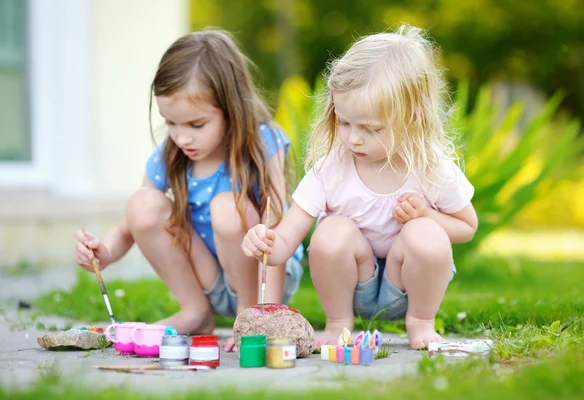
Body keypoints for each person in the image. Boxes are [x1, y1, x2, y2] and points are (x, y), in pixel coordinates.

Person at [241, 25, 478, 350]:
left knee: (426, 232)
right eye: (345, 122)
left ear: (412, 118)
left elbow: (467, 226)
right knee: (332, 229)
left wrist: (427, 214)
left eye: (370, 128)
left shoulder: (429, 166)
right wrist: (266, 242)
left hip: (409, 287)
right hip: (351, 287)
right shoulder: (332, 168)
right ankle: (339, 323)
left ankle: (421, 323)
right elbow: (286, 240)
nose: (353, 138)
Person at [74, 29, 304, 345]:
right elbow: (132, 225)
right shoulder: (170, 155)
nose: (182, 138)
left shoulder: (263, 142)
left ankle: (248, 316)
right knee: (143, 203)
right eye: (171, 123)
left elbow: (276, 225)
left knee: (226, 207)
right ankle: (195, 311)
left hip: (262, 273)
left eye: (196, 125)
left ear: (232, 108)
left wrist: (267, 316)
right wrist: (106, 251)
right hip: (207, 274)